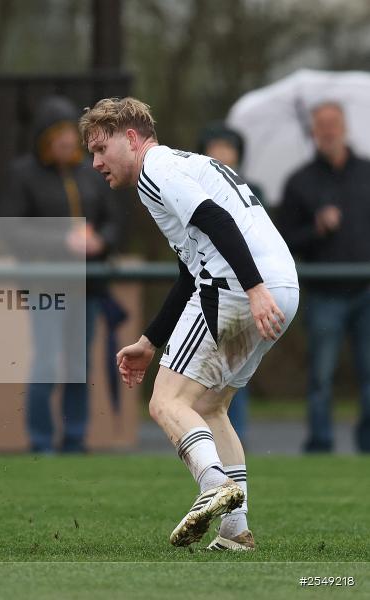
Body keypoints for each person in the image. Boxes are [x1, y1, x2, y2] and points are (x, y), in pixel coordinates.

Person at [79, 97, 299, 550]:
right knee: (209, 407)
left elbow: (216, 221)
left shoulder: (156, 169)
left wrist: (253, 289)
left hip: (242, 286)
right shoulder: (180, 166)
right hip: (281, 287)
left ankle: (212, 484)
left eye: (101, 148)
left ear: (133, 138)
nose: (96, 162)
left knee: (164, 403)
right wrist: (148, 341)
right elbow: (190, 271)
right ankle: (236, 531)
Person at [0, 95, 123, 454]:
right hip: (45, 285)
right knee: (49, 362)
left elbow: (115, 220)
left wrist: (102, 240)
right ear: (44, 139)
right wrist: (62, 240)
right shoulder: (23, 174)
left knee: (79, 365)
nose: (67, 141)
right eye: (59, 134)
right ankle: (40, 441)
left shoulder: (91, 172)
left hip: (87, 286)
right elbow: (12, 230)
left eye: (71, 134)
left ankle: (75, 439)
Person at [276, 102, 370, 454]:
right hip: (324, 294)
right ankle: (320, 444)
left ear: (344, 128)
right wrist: (315, 228)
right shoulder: (299, 182)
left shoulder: (366, 172)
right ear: (313, 132)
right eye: (321, 126)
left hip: (366, 291)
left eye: (334, 124)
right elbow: (282, 241)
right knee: (320, 378)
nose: (328, 131)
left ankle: (367, 447)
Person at [195, 123, 266, 444]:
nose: (223, 153)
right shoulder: (193, 190)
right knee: (199, 369)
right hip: (208, 288)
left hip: (245, 292)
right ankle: (200, 438)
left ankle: (233, 438)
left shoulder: (253, 193)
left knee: (233, 372)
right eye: (216, 146)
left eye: (229, 147)